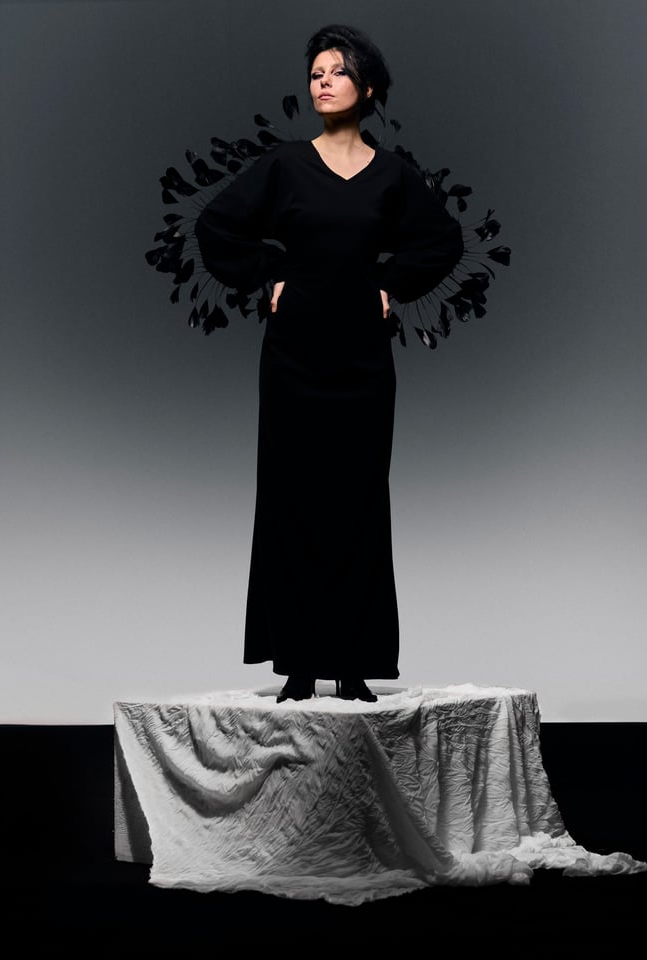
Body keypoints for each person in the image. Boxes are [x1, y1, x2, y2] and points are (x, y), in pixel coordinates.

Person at [194, 24, 464, 704]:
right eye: (316, 72)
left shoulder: (394, 175)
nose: (322, 81)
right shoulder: (284, 165)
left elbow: (442, 241)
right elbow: (216, 227)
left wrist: (392, 285)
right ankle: (298, 665)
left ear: (367, 89)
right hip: (293, 358)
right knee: (292, 501)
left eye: (337, 71)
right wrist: (269, 273)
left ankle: (353, 665)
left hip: (363, 361)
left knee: (358, 502)